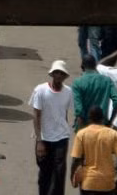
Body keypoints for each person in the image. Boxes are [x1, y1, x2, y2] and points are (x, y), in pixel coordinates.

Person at [30, 59, 74, 195]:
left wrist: (65, 129)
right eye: (56, 73)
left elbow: (64, 113)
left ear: (65, 76)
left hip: (61, 137)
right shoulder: (40, 90)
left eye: (61, 73)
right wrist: (39, 141)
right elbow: (36, 115)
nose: (59, 75)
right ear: (52, 74)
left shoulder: (68, 92)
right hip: (44, 138)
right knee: (45, 171)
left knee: (59, 172)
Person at [70, 105, 117, 195]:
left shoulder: (81, 134)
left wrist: (72, 175)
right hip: (107, 184)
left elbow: (76, 160)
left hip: (88, 183)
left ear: (89, 118)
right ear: (102, 118)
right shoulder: (113, 134)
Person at [74, 54, 117, 129]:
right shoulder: (107, 80)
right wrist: (110, 121)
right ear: (95, 66)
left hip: (85, 126)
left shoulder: (78, 82)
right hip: (102, 125)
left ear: (82, 66)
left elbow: (79, 110)